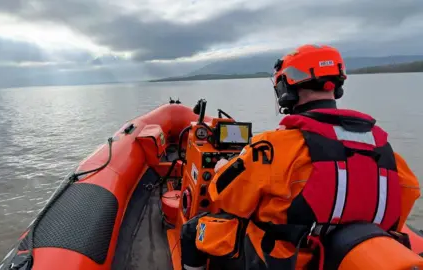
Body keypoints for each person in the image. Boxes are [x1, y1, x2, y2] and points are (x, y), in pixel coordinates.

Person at [180, 44, 421, 270]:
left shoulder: (273, 147)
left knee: (191, 231)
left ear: (286, 88)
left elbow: (224, 197)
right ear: (335, 87)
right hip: (345, 257)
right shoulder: (388, 155)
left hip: (281, 260)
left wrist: (223, 168)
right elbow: (399, 211)